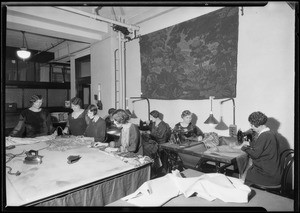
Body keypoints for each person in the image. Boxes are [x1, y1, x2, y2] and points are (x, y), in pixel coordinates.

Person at [241, 111, 282, 186]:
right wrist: (250, 144)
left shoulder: (264, 135)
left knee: (247, 173)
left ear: (257, 124)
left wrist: (244, 148)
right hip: (274, 171)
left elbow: (255, 155)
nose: (251, 127)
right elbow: (262, 146)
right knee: (249, 169)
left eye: (252, 125)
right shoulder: (269, 133)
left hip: (269, 175)